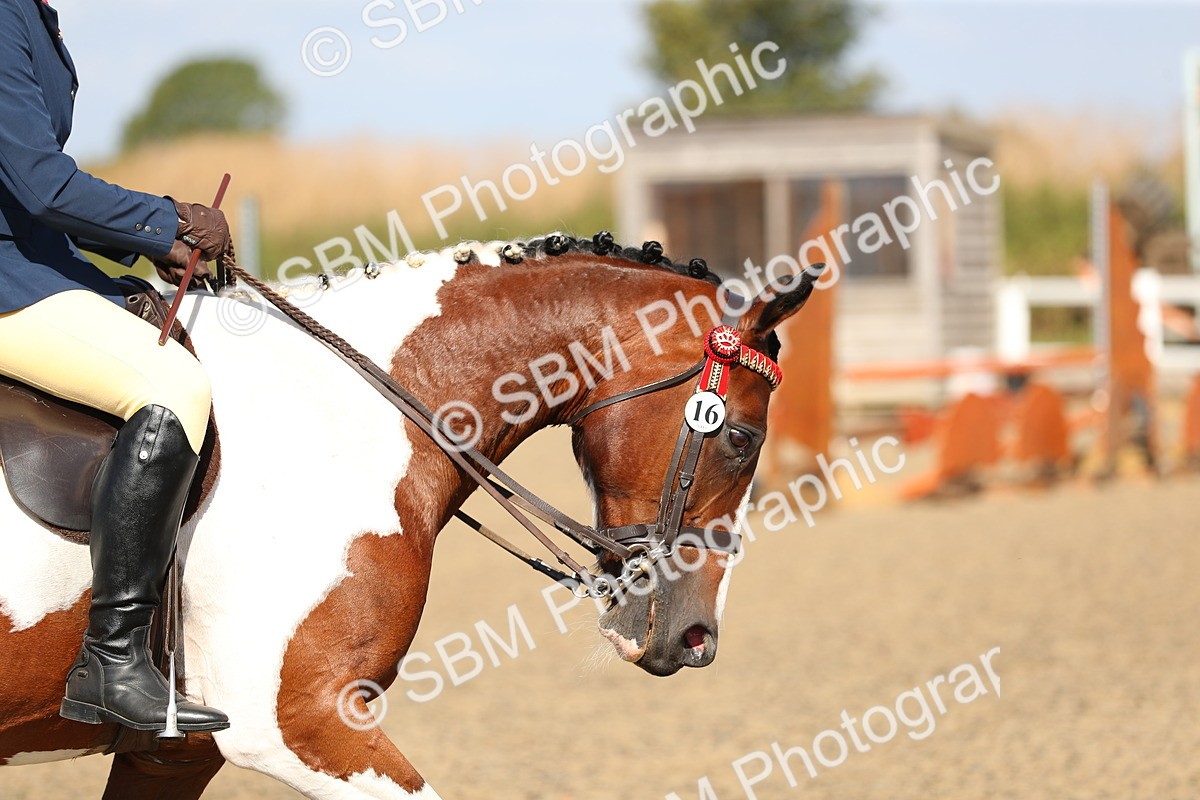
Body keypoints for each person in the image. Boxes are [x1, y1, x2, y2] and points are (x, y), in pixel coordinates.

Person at [0, 0, 229, 733]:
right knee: (172, 385)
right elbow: (40, 182)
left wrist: (126, 270)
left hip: (25, 263)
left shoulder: (35, 15)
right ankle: (113, 661)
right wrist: (165, 223)